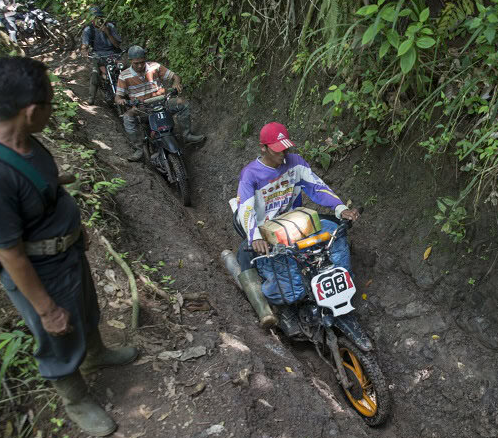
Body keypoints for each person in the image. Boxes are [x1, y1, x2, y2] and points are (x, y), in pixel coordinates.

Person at [0, 56, 137, 437]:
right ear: (29, 110)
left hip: (65, 252)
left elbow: (39, 188)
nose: (53, 111)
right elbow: (9, 252)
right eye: (50, 105)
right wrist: (44, 309)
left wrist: (72, 229)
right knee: (57, 333)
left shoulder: (23, 138)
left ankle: (96, 356)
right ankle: (76, 399)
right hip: (40, 268)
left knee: (85, 308)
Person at [232, 122, 359, 328]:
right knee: (246, 256)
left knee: (336, 228)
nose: (284, 153)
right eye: (278, 150)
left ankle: (340, 280)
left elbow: (316, 187)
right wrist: (255, 237)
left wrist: (339, 208)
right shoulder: (250, 174)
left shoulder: (295, 162)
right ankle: (276, 308)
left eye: (286, 148)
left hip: (297, 221)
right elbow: (246, 210)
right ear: (263, 148)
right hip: (267, 230)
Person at [115, 45, 204, 161]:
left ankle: (186, 135)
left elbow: (175, 76)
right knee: (127, 117)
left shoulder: (155, 67)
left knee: (183, 103)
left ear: (145, 58)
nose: (140, 65)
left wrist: (176, 83)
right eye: (136, 63)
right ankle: (139, 149)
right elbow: (117, 97)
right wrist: (121, 100)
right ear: (131, 61)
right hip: (142, 108)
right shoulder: (124, 76)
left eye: (142, 62)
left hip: (162, 103)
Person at [80, 6, 122, 105]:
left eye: (99, 18)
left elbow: (117, 44)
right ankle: (91, 98)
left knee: (124, 70)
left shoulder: (110, 27)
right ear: (91, 19)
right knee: (95, 74)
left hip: (113, 53)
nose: (98, 20)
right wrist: (84, 50)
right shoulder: (88, 29)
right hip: (98, 55)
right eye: (95, 18)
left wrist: (107, 32)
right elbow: (84, 45)